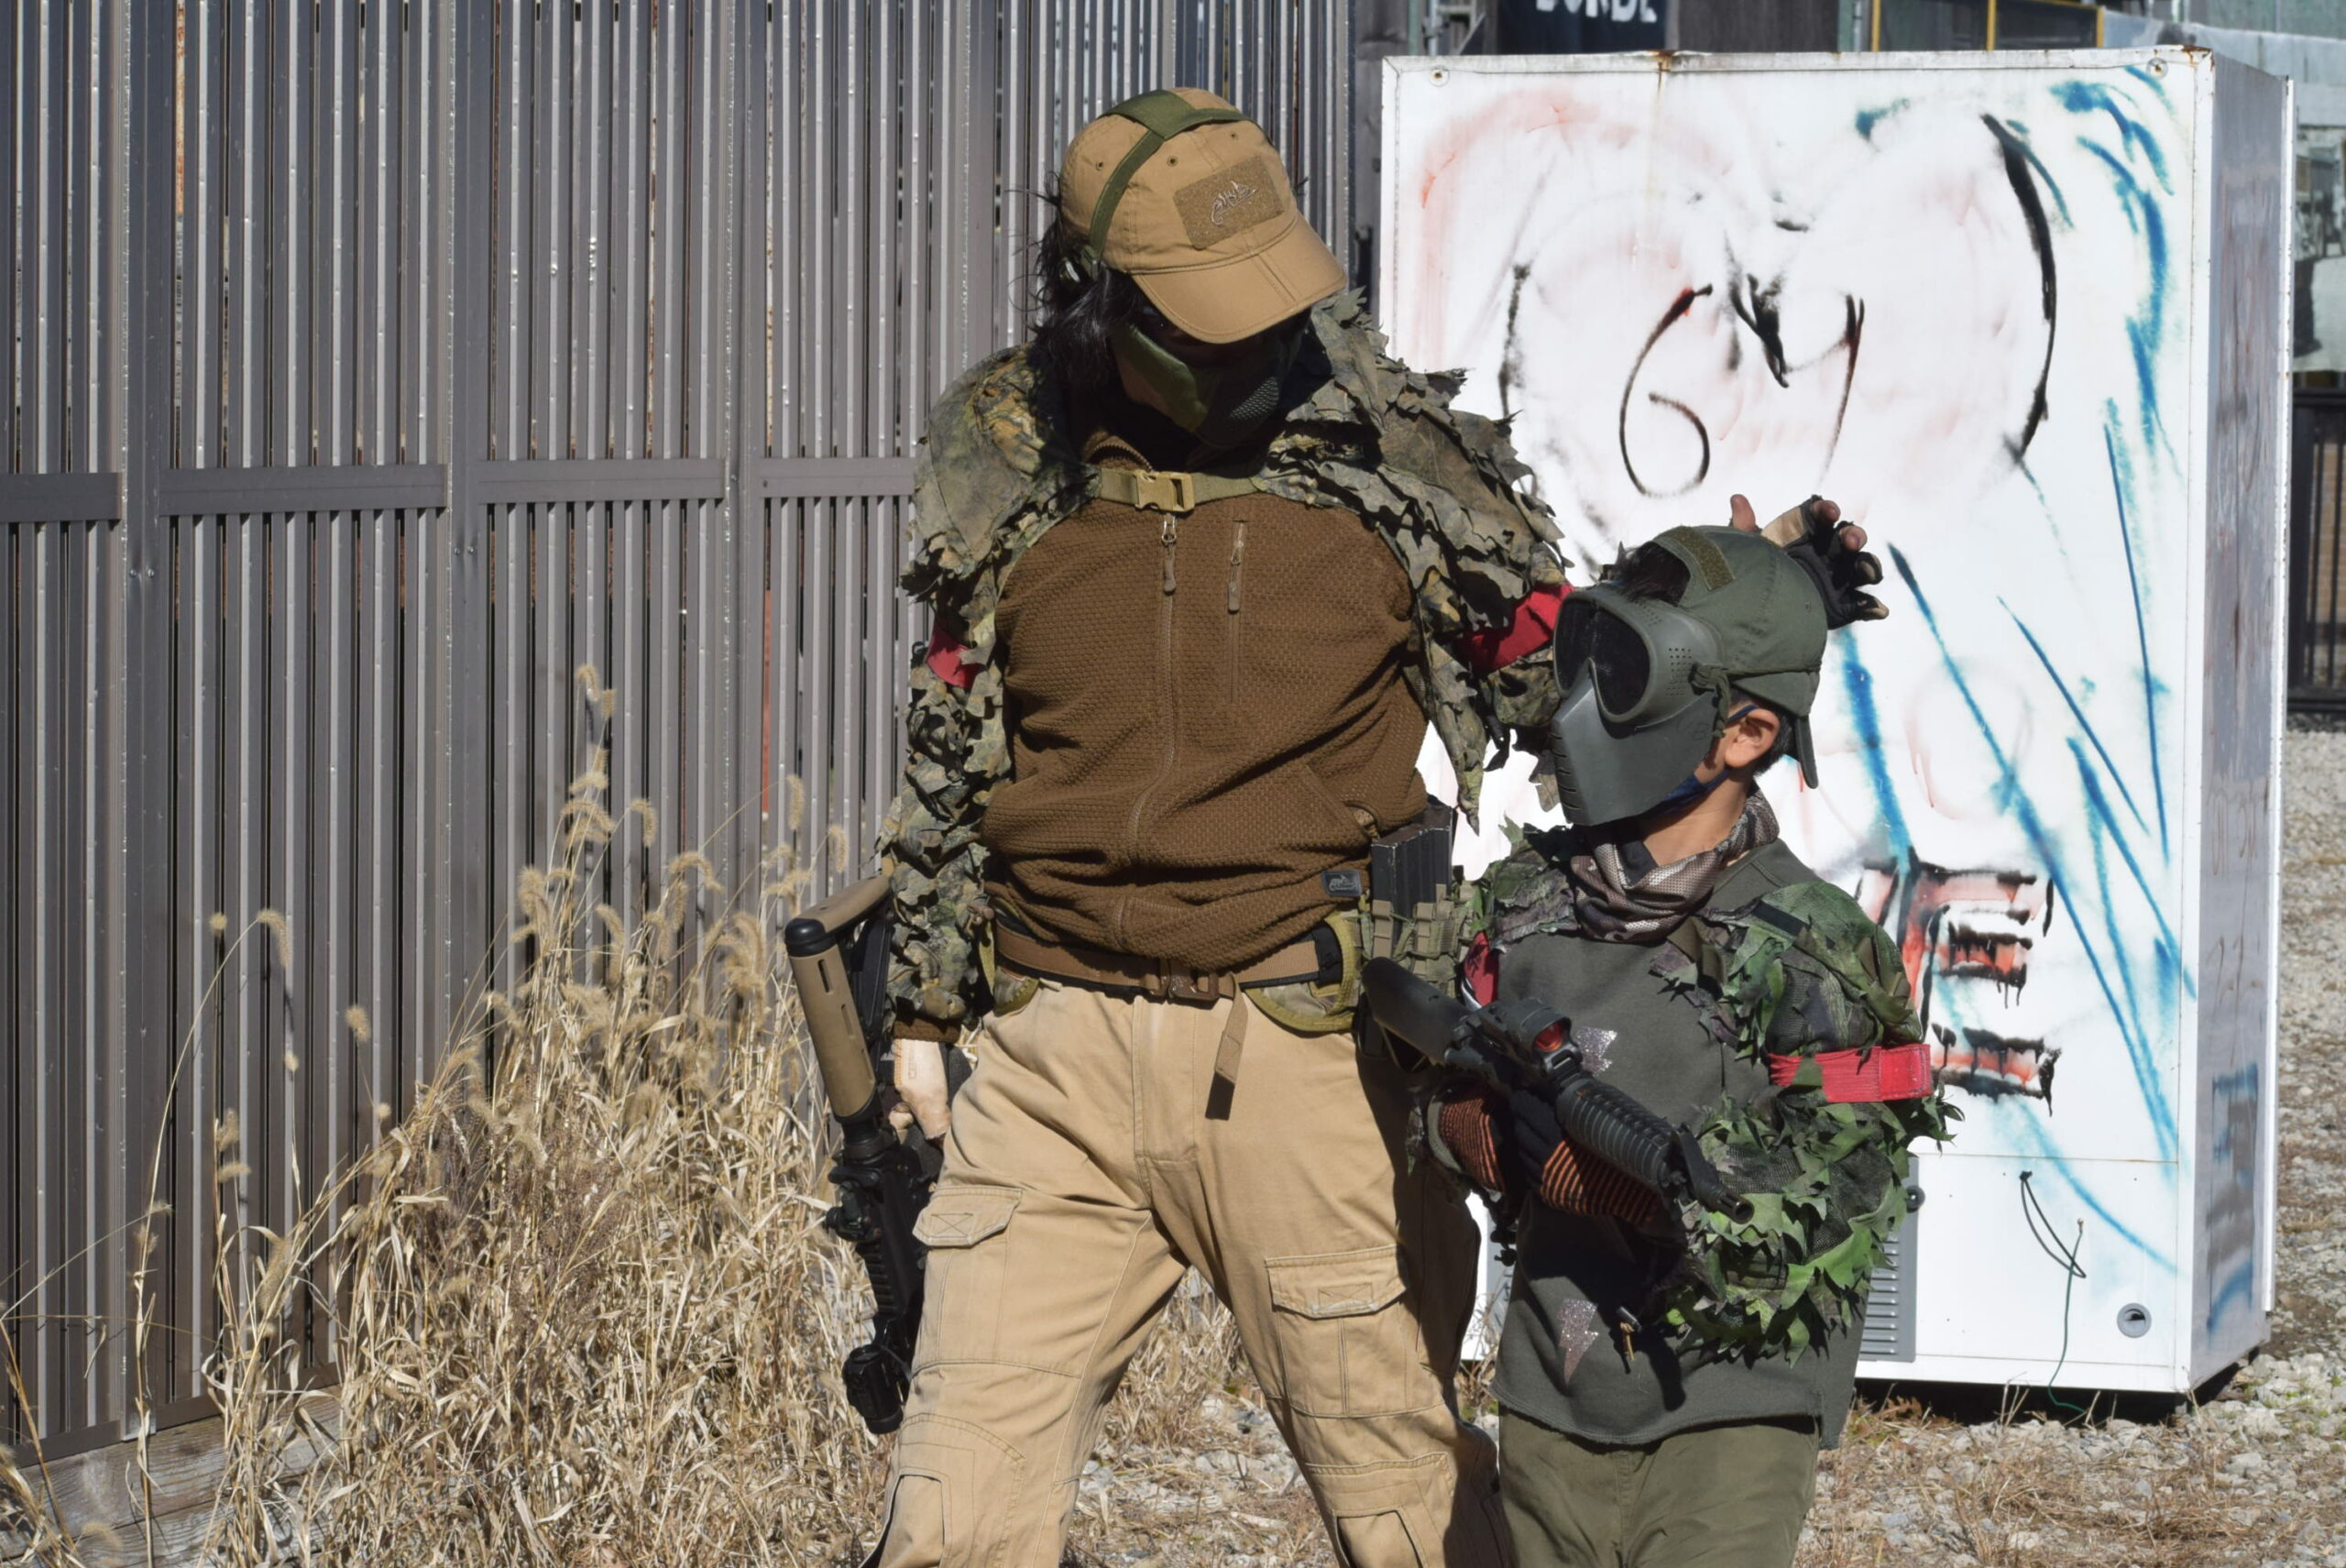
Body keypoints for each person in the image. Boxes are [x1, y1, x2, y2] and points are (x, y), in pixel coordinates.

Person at [867, 85, 1878, 1568]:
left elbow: (1556, 664)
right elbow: (954, 734)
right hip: (1051, 1062)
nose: (1256, 347)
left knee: (1408, 1510)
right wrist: (921, 1015)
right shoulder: (1009, 450)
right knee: (950, 1529)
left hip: (1301, 1056)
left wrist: (1728, 604)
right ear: (1095, 305)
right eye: (1208, 321)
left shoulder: (1385, 447)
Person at [1427, 527, 1953, 1568]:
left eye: (1626, 677)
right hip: (1554, 1387)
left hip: (1732, 1407)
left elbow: (1847, 1190)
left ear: (1747, 733)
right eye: (1592, 660)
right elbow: (1432, 1067)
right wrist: (1462, 1125)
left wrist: (1623, 1185)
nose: (1583, 703)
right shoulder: (1527, 903)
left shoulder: (1812, 943)